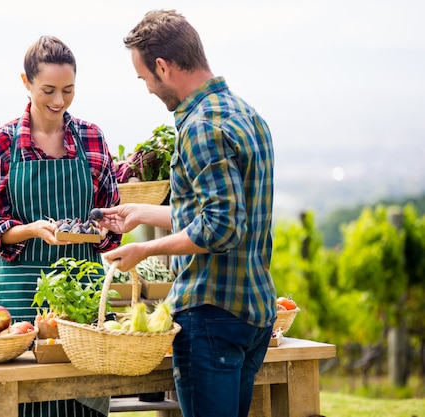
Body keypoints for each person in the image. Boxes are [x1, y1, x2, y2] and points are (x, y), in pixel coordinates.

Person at [99, 10, 277, 417]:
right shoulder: (248, 116)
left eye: (145, 77)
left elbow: (220, 229)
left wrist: (144, 251)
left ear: (163, 66)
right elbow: (228, 213)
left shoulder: (200, 127)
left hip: (210, 316)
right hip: (254, 313)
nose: (146, 88)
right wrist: (142, 213)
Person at [0, 35, 121, 417]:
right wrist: (32, 229)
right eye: (48, 90)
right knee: (21, 401)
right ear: (25, 83)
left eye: (68, 90)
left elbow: (110, 212)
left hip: (83, 297)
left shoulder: (91, 137)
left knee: (84, 399)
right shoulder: (2, 143)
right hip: (19, 297)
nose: (59, 101)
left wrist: (106, 229)